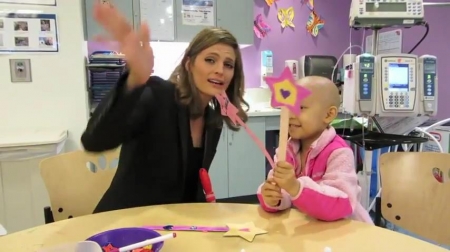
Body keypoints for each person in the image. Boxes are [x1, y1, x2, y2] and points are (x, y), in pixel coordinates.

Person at [81, 3, 248, 213]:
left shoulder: (213, 121)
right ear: (189, 64)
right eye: (210, 60)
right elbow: (95, 140)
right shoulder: (158, 94)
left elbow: (189, 185)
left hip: (171, 228)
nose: (219, 71)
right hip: (126, 224)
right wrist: (133, 82)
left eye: (228, 64)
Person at [257, 76, 372, 223]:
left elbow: (341, 203)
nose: (290, 115)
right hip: (309, 231)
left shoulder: (339, 153)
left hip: (344, 232)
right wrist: (274, 198)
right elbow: (283, 192)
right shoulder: (286, 152)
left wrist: (296, 187)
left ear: (328, 114)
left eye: (300, 108)